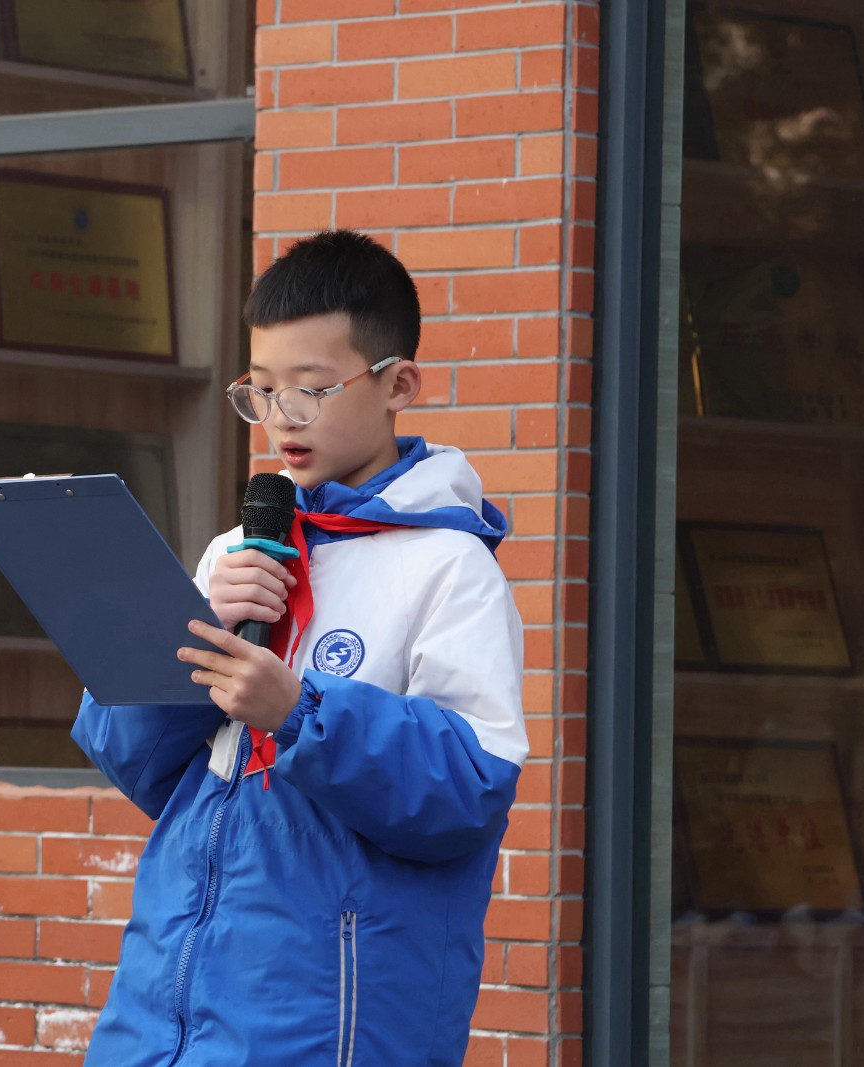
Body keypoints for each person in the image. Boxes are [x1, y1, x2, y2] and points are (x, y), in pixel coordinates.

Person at [72, 229, 528, 1066]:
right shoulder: (236, 551)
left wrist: (299, 712)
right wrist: (185, 635)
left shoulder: (448, 566)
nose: (282, 416)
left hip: (329, 1025)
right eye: (262, 389)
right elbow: (142, 768)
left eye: (311, 389)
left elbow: (471, 788)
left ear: (399, 384)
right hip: (163, 1015)